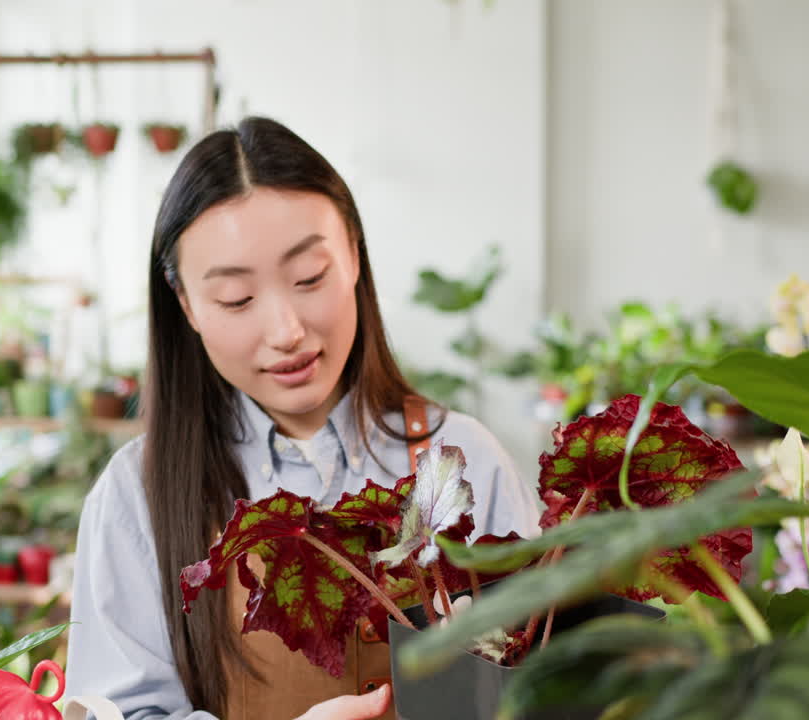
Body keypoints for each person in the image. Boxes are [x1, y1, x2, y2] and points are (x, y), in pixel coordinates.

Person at [66, 117, 539, 720]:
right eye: (236, 299)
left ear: (355, 257)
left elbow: (546, 678)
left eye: (309, 278)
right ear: (184, 304)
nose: (287, 332)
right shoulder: (137, 497)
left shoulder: (460, 459)